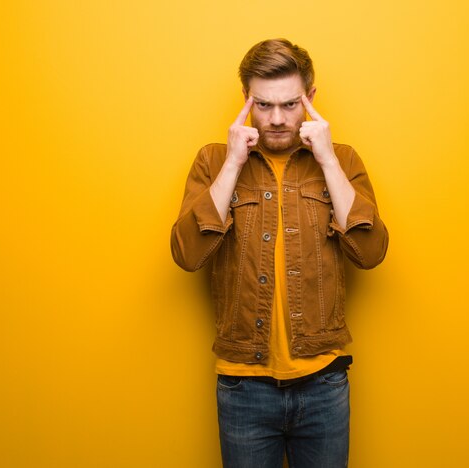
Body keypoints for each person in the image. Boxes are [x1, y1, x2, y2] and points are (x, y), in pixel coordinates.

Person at [170, 38, 388, 468]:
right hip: (243, 389)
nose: (275, 119)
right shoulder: (213, 161)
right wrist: (233, 164)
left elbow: (370, 251)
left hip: (323, 383)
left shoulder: (341, 160)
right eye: (263, 105)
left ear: (310, 99)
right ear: (245, 100)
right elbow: (187, 254)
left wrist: (326, 161)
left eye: (290, 105)